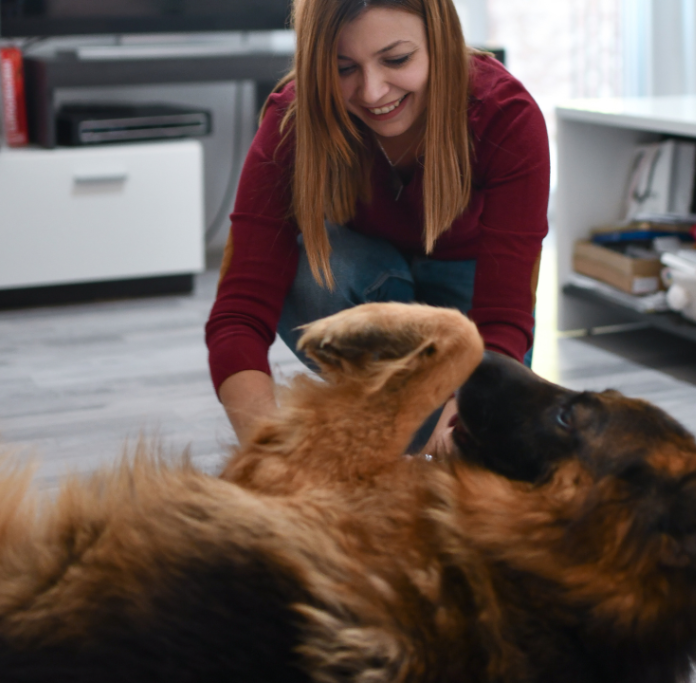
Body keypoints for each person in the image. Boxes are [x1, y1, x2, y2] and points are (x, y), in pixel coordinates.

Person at [206, 0, 550, 454]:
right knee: (311, 264)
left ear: (439, 41)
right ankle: (404, 425)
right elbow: (239, 311)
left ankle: (397, 426)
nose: (371, 92)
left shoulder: (506, 114)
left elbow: (503, 321)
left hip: (472, 297)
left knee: (490, 432)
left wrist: (461, 422)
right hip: (370, 280)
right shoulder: (293, 119)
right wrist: (266, 451)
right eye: (343, 68)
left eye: (397, 59)